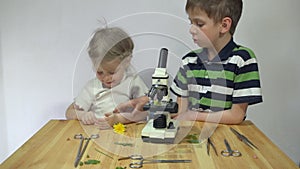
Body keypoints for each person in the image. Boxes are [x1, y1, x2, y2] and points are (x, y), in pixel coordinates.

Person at [114, 0, 263, 125]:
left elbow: (236, 116)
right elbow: (180, 111)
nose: (191, 30)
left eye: (199, 24)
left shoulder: (242, 60)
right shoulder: (189, 61)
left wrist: (194, 115)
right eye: (191, 22)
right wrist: (142, 107)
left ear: (224, 25)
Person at [65, 27, 149, 128]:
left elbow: (146, 111)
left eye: (111, 72)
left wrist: (120, 119)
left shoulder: (133, 82)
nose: (106, 78)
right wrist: (82, 115)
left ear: (126, 62)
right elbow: (69, 112)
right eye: (100, 72)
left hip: (127, 134)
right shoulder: (92, 87)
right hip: (98, 135)